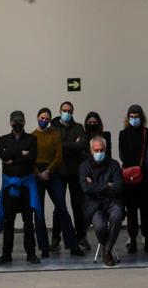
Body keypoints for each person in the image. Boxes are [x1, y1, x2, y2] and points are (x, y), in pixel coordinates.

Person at [0, 110, 41, 265]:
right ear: (10, 123)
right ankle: (6, 254)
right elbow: (2, 155)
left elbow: (32, 158)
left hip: (27, 186)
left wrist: (12, 157)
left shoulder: (32, 138)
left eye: (20, 121)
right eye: (15, 121)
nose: (17, 123)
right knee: (9, 221)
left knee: (28, 221)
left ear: (24, 122)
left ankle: (31, 253)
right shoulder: (3, 139)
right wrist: (21, 153)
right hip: (10, 187)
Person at [76, 132, 124, 265]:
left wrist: (95, 186)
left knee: (117, 216)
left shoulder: (114, 165)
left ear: (106, 149)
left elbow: (119, 187)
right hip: (93, 204)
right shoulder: (84, 166)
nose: (99, 152)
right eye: (96, 150)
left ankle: (107, 250)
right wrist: (107, 185)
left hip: (112, 201)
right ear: (91, 151)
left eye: (102, 150)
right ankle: (107, 246)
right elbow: (86, 189)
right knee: (100, 226)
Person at [117, 104, 148, 255]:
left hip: (145, 179)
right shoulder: (123, 134)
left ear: (141, 117)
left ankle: (147, 240)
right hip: (128, 179)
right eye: (131, 116)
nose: (134, 119)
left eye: (136, 116)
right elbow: (122, 155)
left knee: (146, 212)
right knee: (131, 212)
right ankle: (132, 241)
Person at [33, 106, 69, 254]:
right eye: (42, 118)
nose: (44, 121)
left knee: (62, 207)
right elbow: (30, 160)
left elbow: (59, 156)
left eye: (47, 119)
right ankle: (43, 247)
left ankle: (72, 245)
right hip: (36, 174)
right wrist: (38, 173)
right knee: (39, 211)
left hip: (52, 172)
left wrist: (48, 171)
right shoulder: (32, 136)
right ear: (37, 118)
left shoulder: (55, 134)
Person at [57, 102, 90, 247]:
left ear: (73, 112)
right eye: (64, 110)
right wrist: (72, 144)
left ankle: (81, 237)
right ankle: (55, 238)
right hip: (59, 171)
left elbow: (82, 145)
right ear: (60, 111)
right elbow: (55, 146)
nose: (66, 113)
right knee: (59, 206)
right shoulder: (54, 127)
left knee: (78, 205)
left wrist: (63, 144)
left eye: (69, 110)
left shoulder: (78, 127)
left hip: (76, 171)